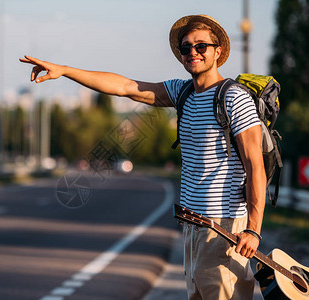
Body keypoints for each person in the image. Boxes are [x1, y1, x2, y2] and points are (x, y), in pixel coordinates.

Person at [20, 14, 266, 300]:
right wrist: (64, 70)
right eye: (186, 48)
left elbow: (255, 166)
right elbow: (125, 87)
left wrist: (253, 230)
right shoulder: (182, 92)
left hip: (223, 229)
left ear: (218, 51)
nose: (193, 53)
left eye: (201, 46)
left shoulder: (233, 97)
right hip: (192, 227)